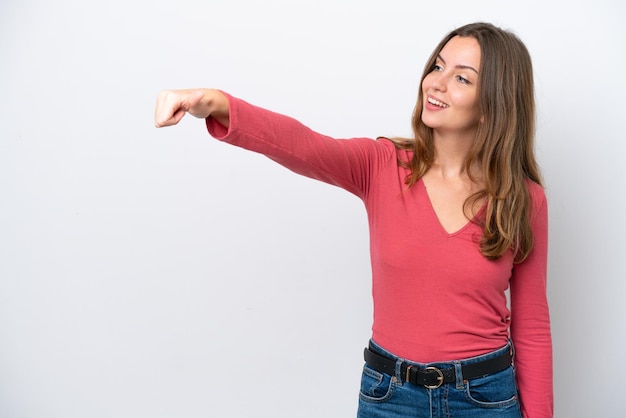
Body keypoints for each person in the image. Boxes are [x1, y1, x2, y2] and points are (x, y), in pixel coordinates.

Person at [154, 22, 552, 418]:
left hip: (486, 398)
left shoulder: (523, 198)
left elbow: (532, 326)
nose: (437, 83)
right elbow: (303, 145)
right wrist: (217, 102)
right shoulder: (382, 166)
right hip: (390, 397)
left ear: (493, 105)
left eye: (461, 77)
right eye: (437, 67)